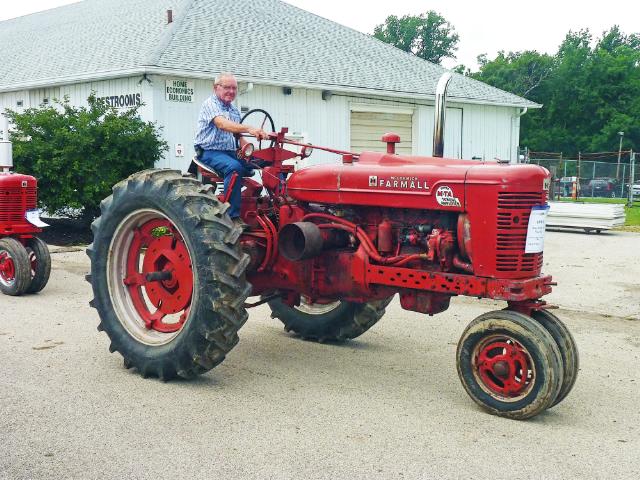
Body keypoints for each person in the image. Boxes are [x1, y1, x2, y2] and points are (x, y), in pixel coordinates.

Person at [194, 73, 269, 225]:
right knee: (234, 168)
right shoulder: (210, 104)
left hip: (230, 152)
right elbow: (222, 124)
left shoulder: (233, 110)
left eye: (234, 88)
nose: (231, 91)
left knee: (268, 160)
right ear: (216, 88)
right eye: (227, 87)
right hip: (209, 152)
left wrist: (249, 150)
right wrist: (250, 128)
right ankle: (232, 217)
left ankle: (279, 204)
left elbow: (237, 135)